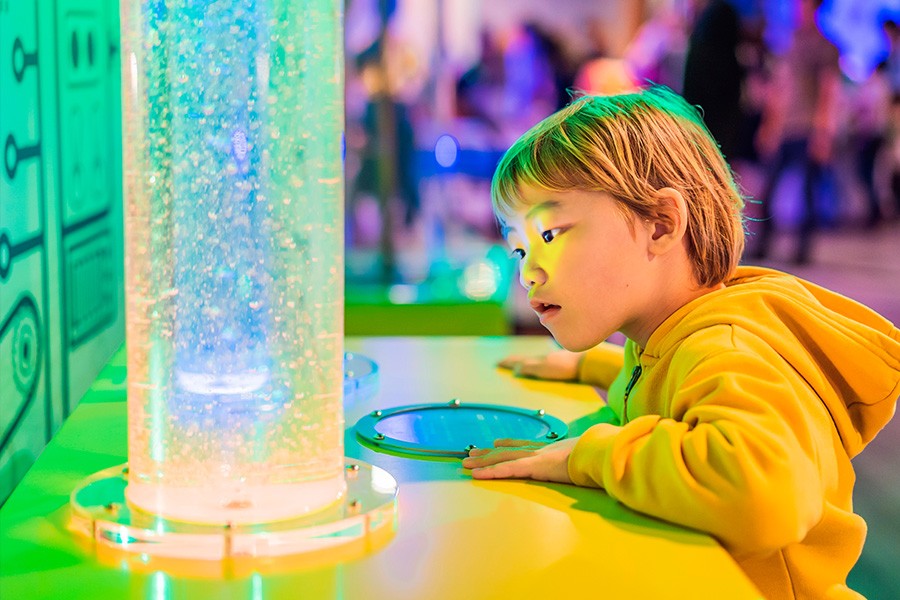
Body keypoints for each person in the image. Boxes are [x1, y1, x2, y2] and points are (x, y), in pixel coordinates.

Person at [461, 86, 900, 600]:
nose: (529, 273)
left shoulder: (725, 350)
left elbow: (767, 497)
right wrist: (601, 369)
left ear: (661, 224)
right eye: (518, 249)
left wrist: (588, 455)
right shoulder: (668, 333)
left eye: (551, 235)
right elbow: (669, 383)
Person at [751, 0, 841, 264]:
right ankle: (764, 244)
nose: (796, 9)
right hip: (785, 128)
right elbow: (780, 88)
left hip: (808, 128)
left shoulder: (826, 47)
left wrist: (823, 132)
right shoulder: (789, 44)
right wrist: (769, 126)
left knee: (808, 193)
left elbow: (829, 91)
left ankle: (802, 251)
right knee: (769, 188)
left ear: (814, 8)